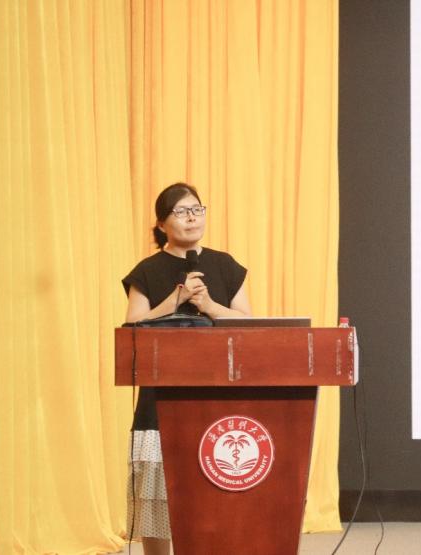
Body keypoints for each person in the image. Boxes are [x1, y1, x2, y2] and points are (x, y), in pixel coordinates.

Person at [121, 182, 252, 555]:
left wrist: (210, 306)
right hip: (161, 394)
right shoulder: (148, 271)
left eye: (197, 209)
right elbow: (132, 327)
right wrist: (175, 299)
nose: (192, 217)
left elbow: (247, 322)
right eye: (181, 212)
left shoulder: (224, 265)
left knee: (211, 486)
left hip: (216, 391)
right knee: (156, 491)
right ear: (162, 224)